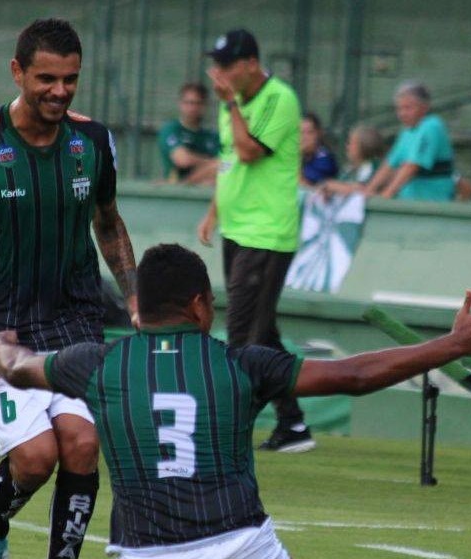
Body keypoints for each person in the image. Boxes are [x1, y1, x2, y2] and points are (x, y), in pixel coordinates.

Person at [0, 243, 471, 558]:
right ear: (200, 305)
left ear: (140, 309)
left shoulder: (95, 364)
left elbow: (20, 368)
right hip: (241, 546)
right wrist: (454, 344)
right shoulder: (243, 365)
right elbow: (357, 375)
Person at [0, 19, 139, 559]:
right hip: (0, 331)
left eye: (70, 79)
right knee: (37, 458)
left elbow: (108, 222)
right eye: (46, 78)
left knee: (82, 445)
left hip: (75, 323)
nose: (60, 91)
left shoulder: (94, 142)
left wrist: (134, 296)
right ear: (17, 72)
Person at [195, 29, 314, 453]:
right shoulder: (237, 104)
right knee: (263, 333)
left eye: (227, 65)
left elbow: (248, 152)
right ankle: (293, 423)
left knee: (244, 335)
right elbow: (229, 162)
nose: (220, 73)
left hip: (267, 232)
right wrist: (214, 211)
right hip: (239, 228)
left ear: (250, 64)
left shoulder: (279, 99)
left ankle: (228, 430)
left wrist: (229, 104)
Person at [364, 81, 457, 201]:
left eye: (408, 108)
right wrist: (368, 190)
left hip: (433, 204)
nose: (402, 114)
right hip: (411, 202)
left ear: (424, 108)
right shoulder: (407, 131)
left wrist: (386, 195)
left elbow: (412, 166)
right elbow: (389, 165)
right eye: (399, 109)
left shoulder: (432, 126)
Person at [157, 82, 220, 186]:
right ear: (180, 104)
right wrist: (211, 162)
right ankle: (185, 183)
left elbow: (226, 165)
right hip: (176, 192)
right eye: (188, 103)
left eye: (197, 103)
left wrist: (214, 164)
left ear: (205, 106)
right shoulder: (171, 129)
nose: (192, 108)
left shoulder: (212, 136)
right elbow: (182, 160)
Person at [320, 124, 385, 196]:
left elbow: (363, 190)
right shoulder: (348, 169)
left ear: (364, 146)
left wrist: (333, 186)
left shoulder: (374, 167)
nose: (347, 146)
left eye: (350, 143)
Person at [299, 112, 338, 187]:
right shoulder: (304, 156)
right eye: (301, 132)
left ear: (319, 134)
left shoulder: (325, 159)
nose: (304, 137)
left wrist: (297, 156)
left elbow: (306, 185)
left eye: (309, 132)